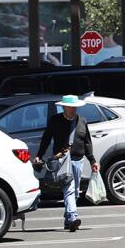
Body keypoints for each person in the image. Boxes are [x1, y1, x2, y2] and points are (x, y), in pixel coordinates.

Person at [33, 95, 99, 232]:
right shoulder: (55, 120)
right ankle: (73, 217)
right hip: (62, 161)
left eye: (75, 107)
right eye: (70, 107)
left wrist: (92, 160)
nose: (73, 109)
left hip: (78, 161)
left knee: (74, 192)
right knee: (69, 189)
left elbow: (87, 142)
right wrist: (39, 155)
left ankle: (68, 220)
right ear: (63, 107)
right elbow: (46, 139)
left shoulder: (82, 121)